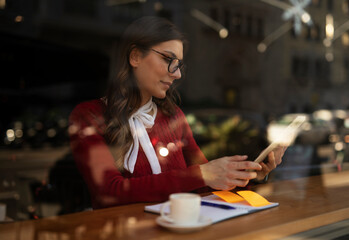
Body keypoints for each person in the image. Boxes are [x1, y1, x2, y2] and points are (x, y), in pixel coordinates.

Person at [69, 16, 285, 209]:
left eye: (179, 64)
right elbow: (108, 192)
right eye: (167, 59)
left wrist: (250, 176)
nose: (178, 74)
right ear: (135, 56)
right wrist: (201, 174)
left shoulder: (174, 117)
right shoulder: (88, 116)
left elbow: (204, 187)